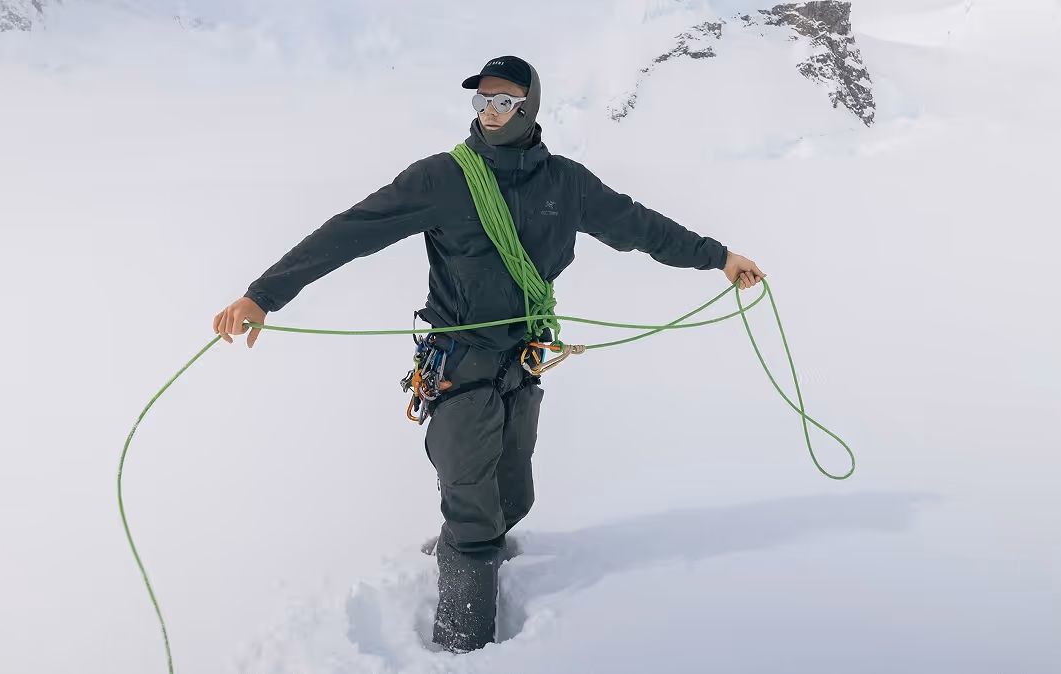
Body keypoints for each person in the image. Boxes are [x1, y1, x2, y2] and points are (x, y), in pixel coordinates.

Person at [212, 55, 765, 653]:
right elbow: (350, 231)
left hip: (524, 360)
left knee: (512, 496)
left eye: (502, 100)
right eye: (481, 100)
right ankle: (463, 645)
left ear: (529, 106)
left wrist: (718, 256)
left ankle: (466, 547)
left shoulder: (567, 184)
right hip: (461, 365)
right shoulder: (442, 179)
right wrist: (263, 295)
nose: (489, 111)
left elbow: (641, 226)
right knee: (475, 514)